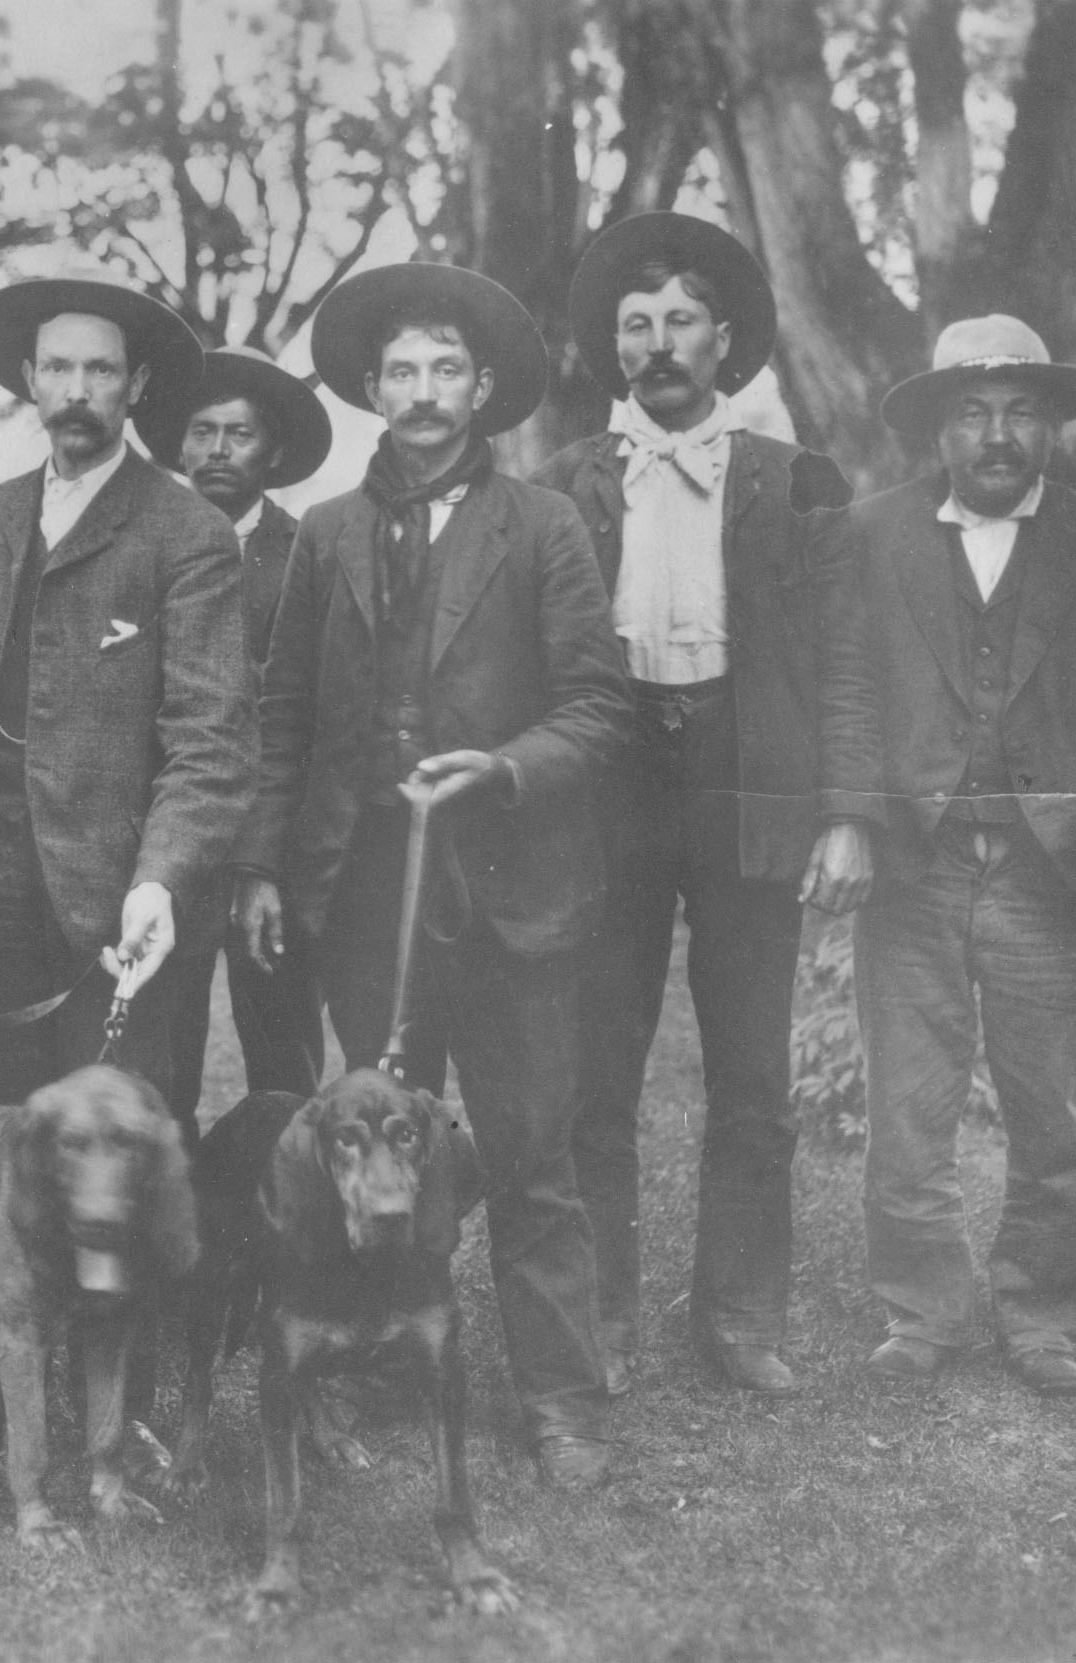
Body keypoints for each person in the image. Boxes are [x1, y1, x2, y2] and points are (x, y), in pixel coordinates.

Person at [239, 263, 628, 1489]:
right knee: (381, 1144)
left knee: (529, 1153)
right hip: (367, 900)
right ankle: (387, 1353)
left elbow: (596, 705)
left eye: (444, 369)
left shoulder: (545, 526)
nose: (421, 392)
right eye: (400, 370)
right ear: (370, 386)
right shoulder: (327, 534)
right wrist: (262, 865)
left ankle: (561, 1399)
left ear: (482, 387)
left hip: (514, 894)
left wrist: (500, 769)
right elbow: (283, 716)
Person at [805, 315, 1076, 1399]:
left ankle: (1040, 1314)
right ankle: (922, 1310)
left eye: (1020, 412)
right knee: (908, 1109)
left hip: (1051, 875)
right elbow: (843, 688)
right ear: (938, 431)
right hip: (914, 867)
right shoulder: (872, 534)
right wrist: (849, 816)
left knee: (1051, 1113)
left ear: (1049, 428)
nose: (996, 435)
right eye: (973, 413)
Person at [536, 213, 850, 1399]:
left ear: (723, 339)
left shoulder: (791, 479)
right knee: (597, 1065)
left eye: (680, 320)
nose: (658, 343)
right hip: (611, 777)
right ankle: (602, 1312)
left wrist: (841, 809)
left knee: (753, 1073)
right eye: (636, 324)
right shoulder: (563, 484)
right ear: (612, 347)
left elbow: (840, 659)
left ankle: (741, 1314)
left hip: (744, 771)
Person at [0, 269, 252, 1118]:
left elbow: (210, 743)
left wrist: (159, 881)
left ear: (136, 385)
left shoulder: (188, 533)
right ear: (30, 379)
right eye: (58, 367)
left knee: (116, 1144)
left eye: (100, 369)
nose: (77, 390)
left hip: (115, 903)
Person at [131, 344, 335, 1136]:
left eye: (239, 434)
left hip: (272, 849)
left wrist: (267, 859)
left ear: (273, 452)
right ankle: (174, 1210)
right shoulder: (144, 544)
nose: (218, 450)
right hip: (172, 844)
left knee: (283, 1066)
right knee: (160, 1067)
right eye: (202, 431)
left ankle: (286, 1207)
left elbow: (309, 718)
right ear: (177, 445)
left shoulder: (307, 554)